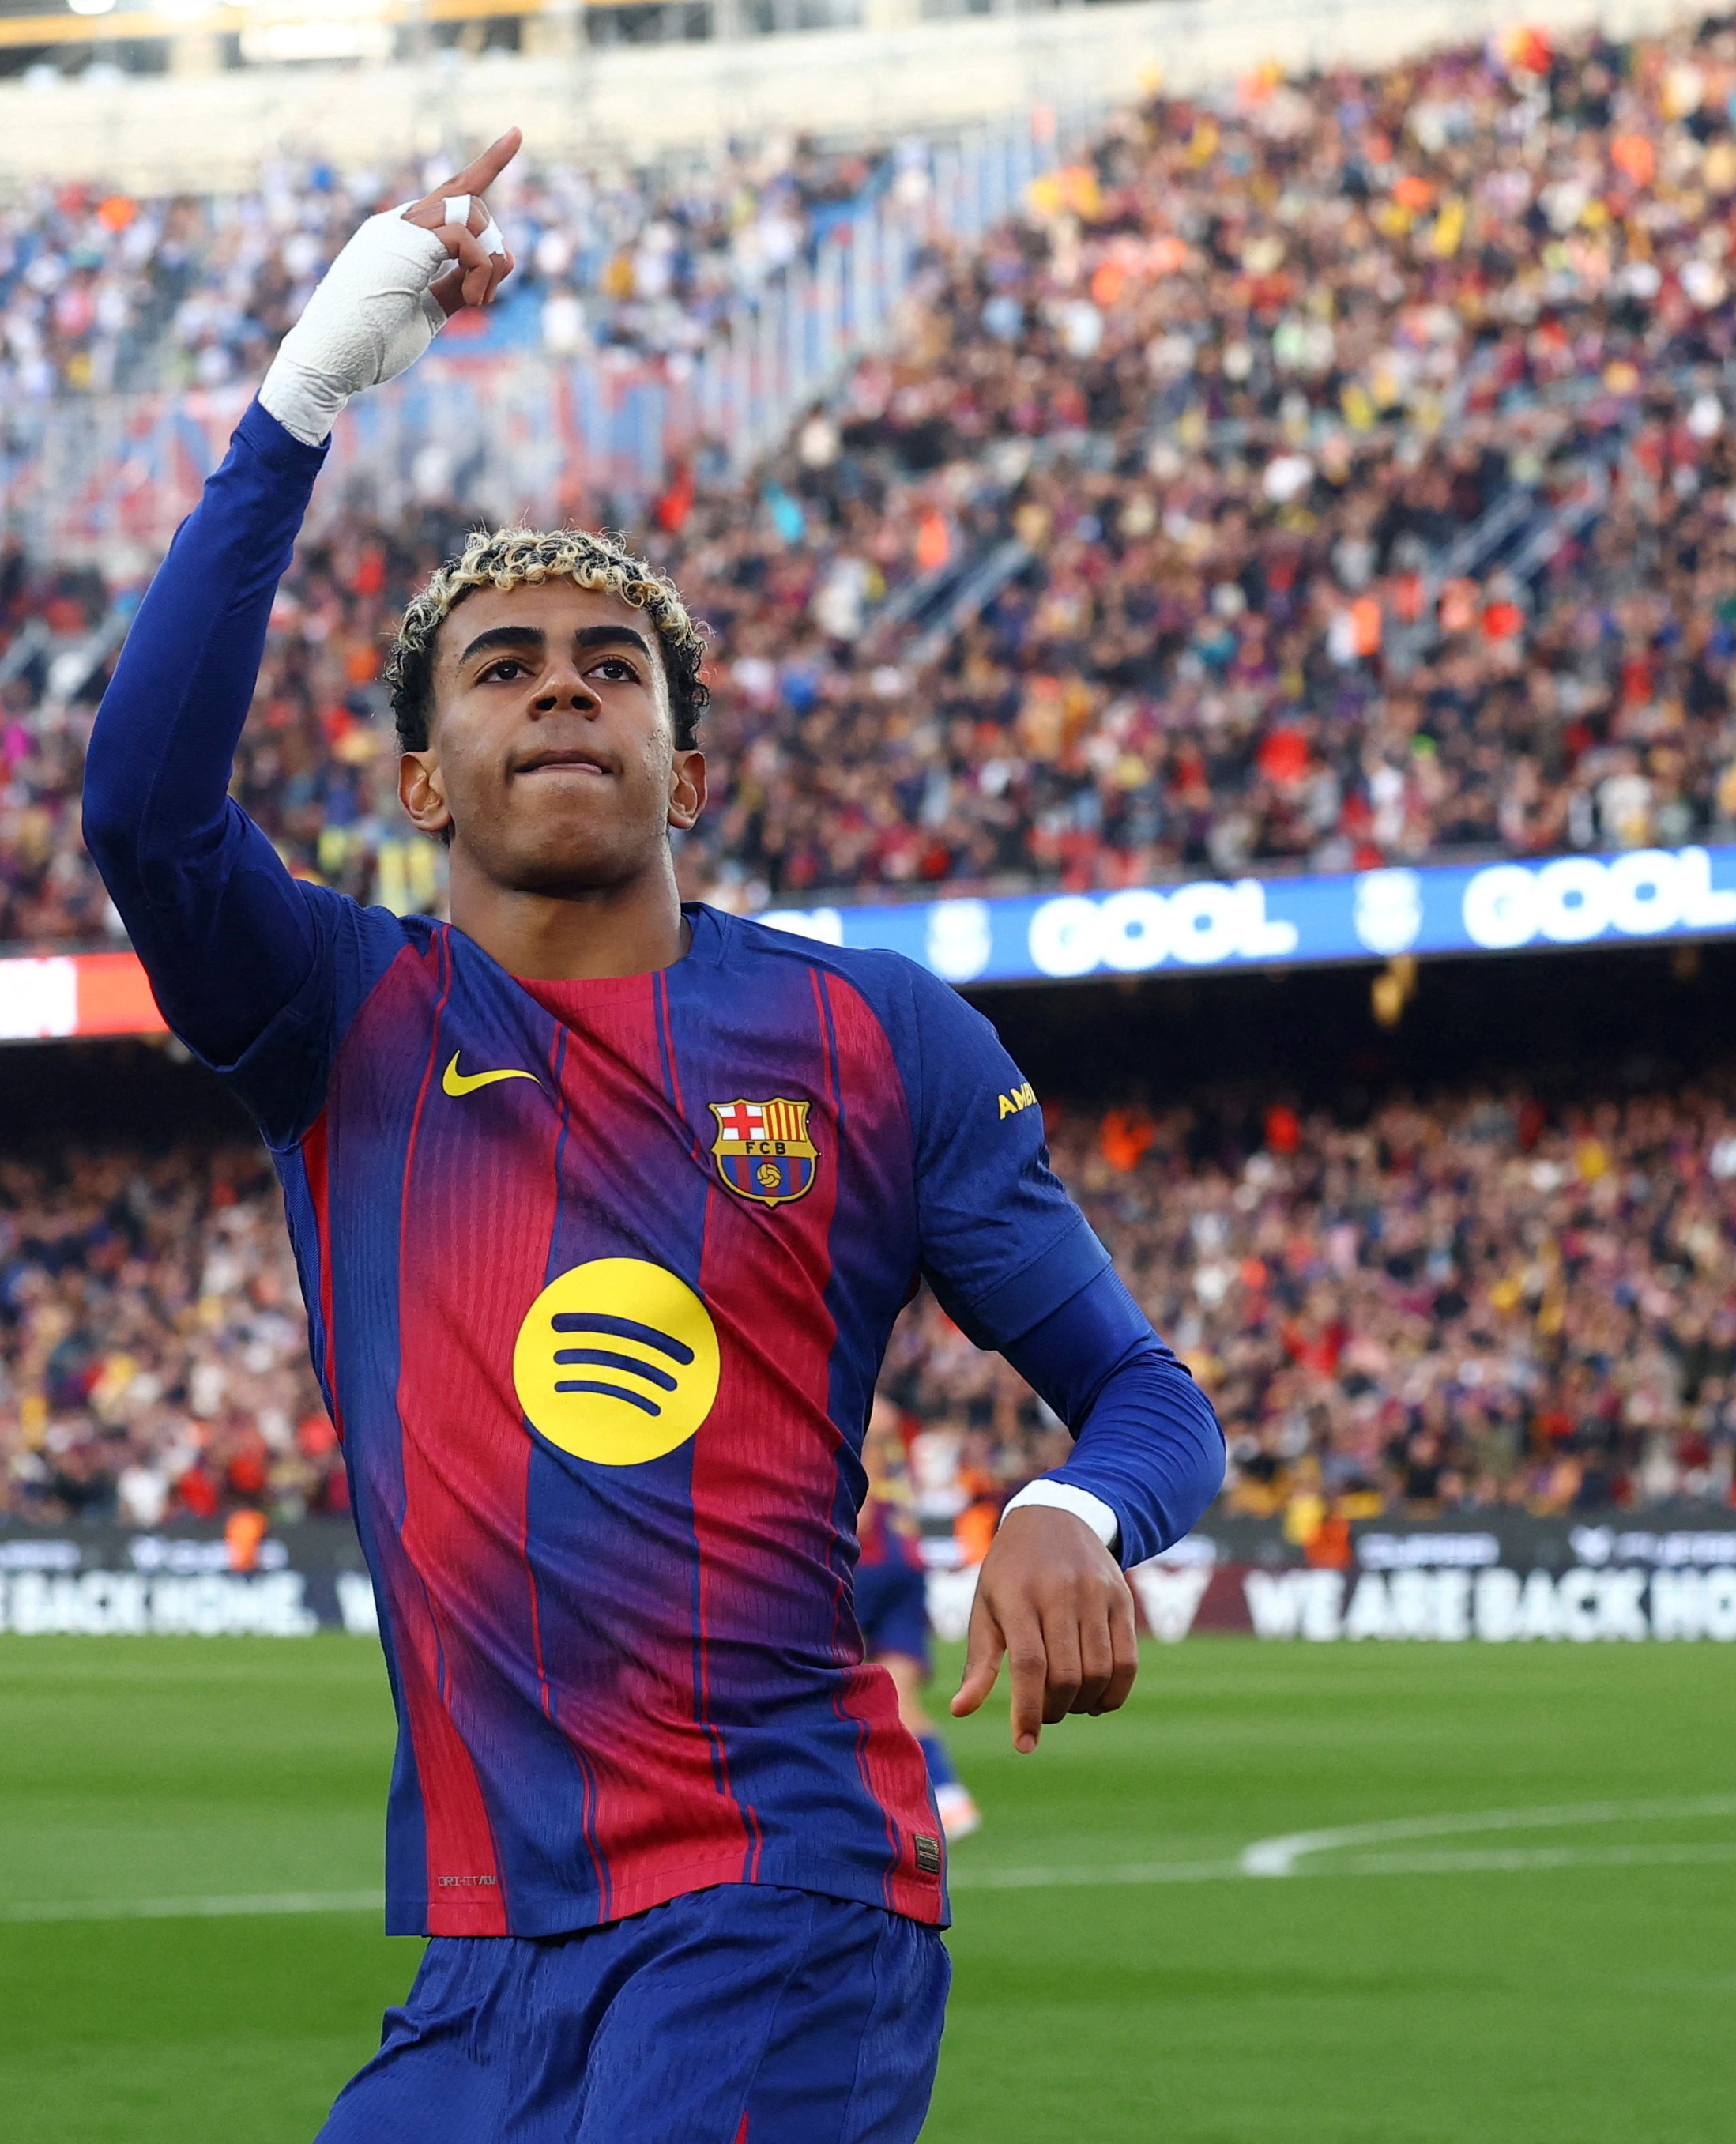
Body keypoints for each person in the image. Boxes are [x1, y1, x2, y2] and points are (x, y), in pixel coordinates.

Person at [81, 130, 1226, 2144]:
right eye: (504, 669)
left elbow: (1139, 1392)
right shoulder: (340, 1020)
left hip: (778, 1903)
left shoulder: (876, 1036)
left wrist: (1070, 1514)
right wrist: (304, 389)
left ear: (685, 764)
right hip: (482, 1955)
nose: (563, 695)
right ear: (426, 776)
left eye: (612, 670)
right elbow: (145, 816)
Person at [855, 1410, 978, 1842]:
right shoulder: (886, 1412)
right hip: (904, 1550)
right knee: (896, 1688)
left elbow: (863, 1486)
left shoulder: (859, 1401)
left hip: (865, 1555)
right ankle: (946, 1796)